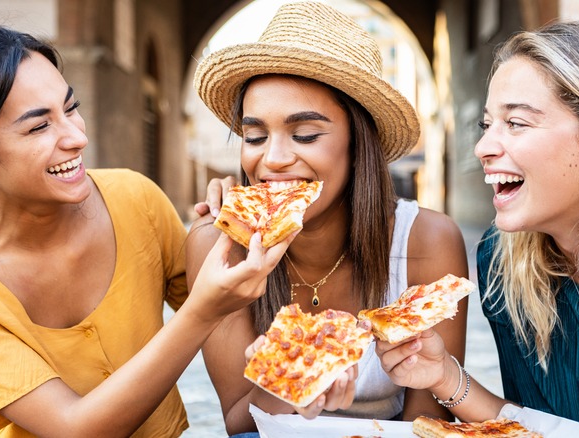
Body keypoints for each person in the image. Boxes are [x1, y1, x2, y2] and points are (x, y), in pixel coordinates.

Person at [0, 1, 294, 436]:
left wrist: (241, 224)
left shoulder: (135, 199)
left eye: (70, 108)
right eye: (39, 127)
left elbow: (240, 316)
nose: (77, 137)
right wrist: (200, 312)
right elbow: (75, 429)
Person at [375, 21, 579, 437]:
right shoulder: (501, 259)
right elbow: (547, 429)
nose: (483, 148)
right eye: (486, 126)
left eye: (516, 123)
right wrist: (443, 376)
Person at [187, 2, 469, 435]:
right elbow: (238, 424)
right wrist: (287, 379)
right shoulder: (217, 246)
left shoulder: (427, 241)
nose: (273, 159)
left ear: (359, 144)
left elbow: (429, 422)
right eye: (255, 136)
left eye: (305, 135)